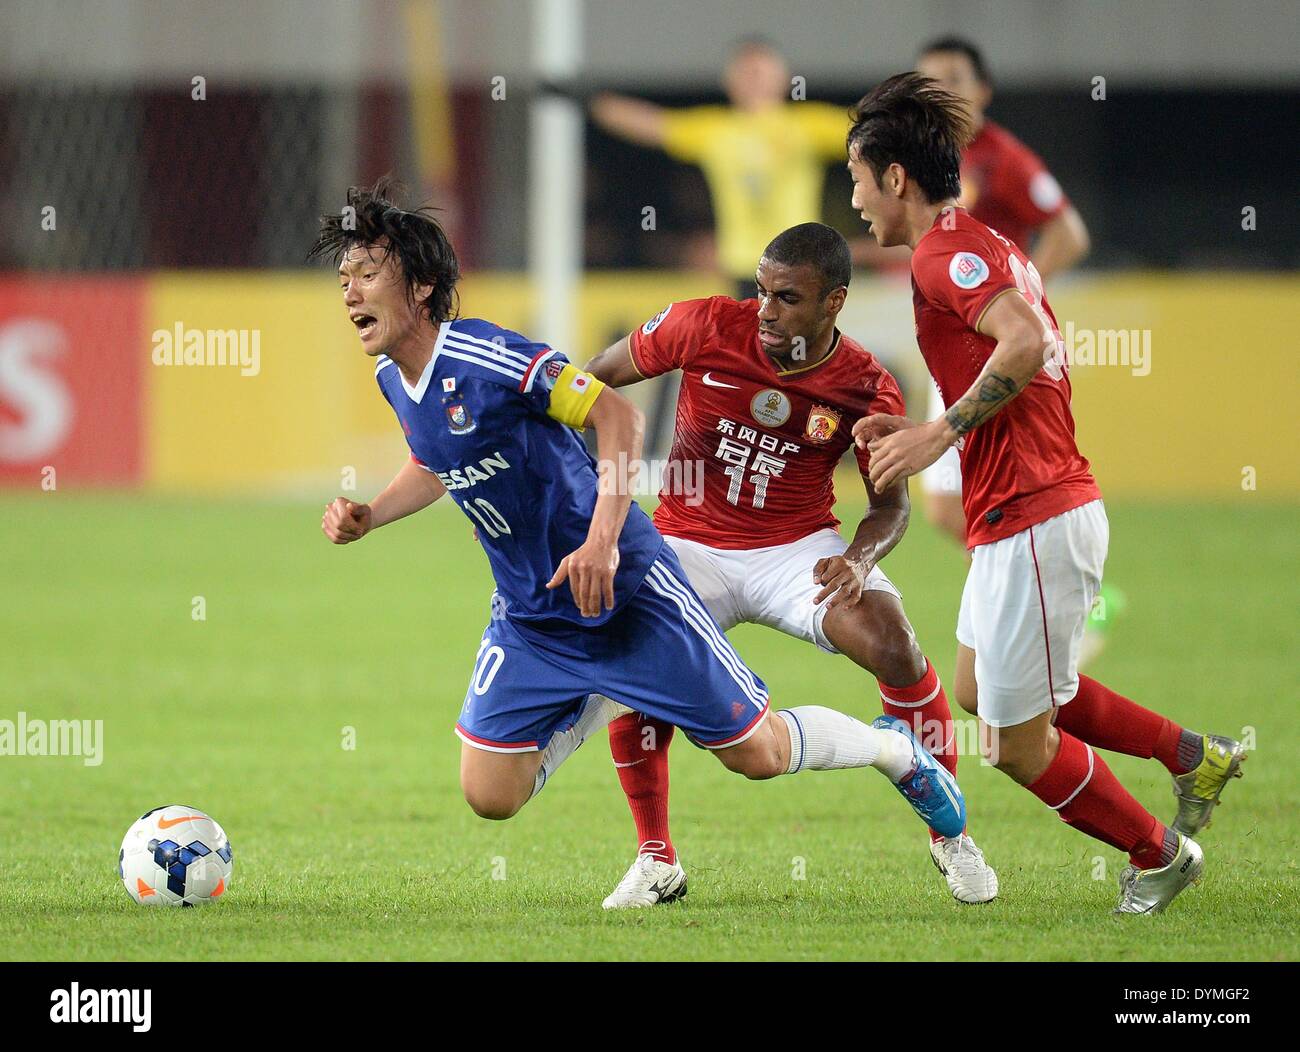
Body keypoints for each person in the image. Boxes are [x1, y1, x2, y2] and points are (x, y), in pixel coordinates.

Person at [310, 179, 965, 896]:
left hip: (635, 580)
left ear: (424, 286)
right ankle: (646, 830)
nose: (349, 292)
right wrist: (372, 513)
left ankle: (888, 748)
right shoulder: (394, 378)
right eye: (344, 277)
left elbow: (616, 415)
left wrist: (600, 535)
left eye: (367, 274)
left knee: (759, 754)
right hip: (532, 611)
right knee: (490, 795)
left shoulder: (491, 359)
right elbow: (437, 459)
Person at [845, 75, 1245, 913]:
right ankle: (1191, 756)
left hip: (1036, 513)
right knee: (981, 689)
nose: (853, 199)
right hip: (1022, 513)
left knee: (1013, 743)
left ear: (895, 178)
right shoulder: (981, 242)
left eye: (856, 176)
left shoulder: (941, 252)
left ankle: (1160, 853)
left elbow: (1023, 342)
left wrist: (936, 434)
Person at [585, 222, 997, 909]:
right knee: (636, 669)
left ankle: (948, 835)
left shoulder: (867, 386)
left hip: (796, 550)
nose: (767, 311)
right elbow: (592, 381)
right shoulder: (704, 325)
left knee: (895, 646)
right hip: (688, 543)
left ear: (834, 302)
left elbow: (889, 508)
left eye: (787, 298)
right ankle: (656, 858)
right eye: (761, 291)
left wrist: (860, 561)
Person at [909, 41, 1117, 661]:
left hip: (995, 344)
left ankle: (1062, 602)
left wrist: (1018, 285)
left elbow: (1071, 233)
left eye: (952, 81)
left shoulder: (1000, 158)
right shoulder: (931, 159)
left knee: (973, 500)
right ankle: (1043, 598)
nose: (940, 95)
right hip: (953, 344)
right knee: (947, 508)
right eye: (928, 83)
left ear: (983, 90)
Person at [590, 37, 848, 298]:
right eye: (745, 73)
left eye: (759, 72)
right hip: (746, 268)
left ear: (782, 78)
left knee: (799, 336)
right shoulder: (717, 130)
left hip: (799, 263)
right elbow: (652, 125)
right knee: (752, 337)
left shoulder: (807, 127)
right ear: (729, 81)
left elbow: (866, 127)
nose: (753, 80)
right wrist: (592, 99)